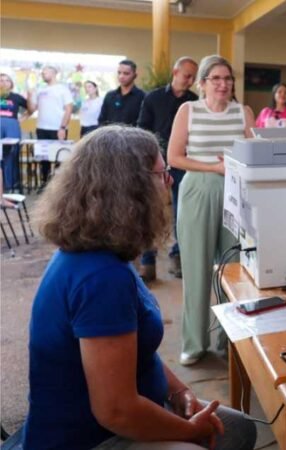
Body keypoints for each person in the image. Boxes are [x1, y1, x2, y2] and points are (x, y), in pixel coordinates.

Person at [24, 125, 257, 450]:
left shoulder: (104, 255)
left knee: (239, 428)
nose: (169, 181)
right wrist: (190, 431)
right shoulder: (101, 278)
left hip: (124, 415)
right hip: (92, 439)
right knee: (214, 438)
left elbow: (134, 352)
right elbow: (116, 411)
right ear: (130, 190)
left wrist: (180, 393)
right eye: (162, 173)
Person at [168, 55, 255, 366]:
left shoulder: (243, 112)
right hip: (197, 191)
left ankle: (228, 339)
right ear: (202, 83)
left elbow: (254, 154)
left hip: (235, 192)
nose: (223, 84)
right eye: (216, 78)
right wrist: (214, 167)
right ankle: (194, 343)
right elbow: (175, 157)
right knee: (196, 269)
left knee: (233, 268)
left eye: (228, 78)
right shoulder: (188, 110)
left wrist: (234, 164)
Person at [137, 56, 199, 282]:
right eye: (187, 75)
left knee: (182, 212)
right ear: (175, 73)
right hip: (155, 164)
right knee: (150, 210)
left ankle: (178, 256)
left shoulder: (195, 103)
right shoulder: (153, 98)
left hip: (183, 164)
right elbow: (142, 129)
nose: (190, 80)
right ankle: (147, 262)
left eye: (193, 76)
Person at [29, 65, 73, 184]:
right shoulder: (40, 90)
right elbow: (32, 109)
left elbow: (69, 109)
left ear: (54, 73)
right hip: (41, 128)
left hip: (57, 129)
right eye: (42, 72)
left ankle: (59, 186)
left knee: (60, 158)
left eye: (45, 72)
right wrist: (30, 95)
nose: (43, 74)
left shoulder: (63, 89)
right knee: (44, 159)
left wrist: (62, 128)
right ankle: (45, 184)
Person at [0, 73, 30, 191]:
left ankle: (10, 185)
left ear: (11, 83)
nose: (4, 82)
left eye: (7, 80)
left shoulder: (16, 97)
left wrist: (22, 118)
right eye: (1, 80)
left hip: (11, 125)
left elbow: (31, 107)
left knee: (11, 154)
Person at [98, 59, 146, 127]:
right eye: (119, 73)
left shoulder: (142, 97)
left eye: (126, 73)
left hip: (133, 136)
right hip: (110, 136)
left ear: (135, 75)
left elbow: (144, 122)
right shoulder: (110, 96)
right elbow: (102, 120)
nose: (121, 76)